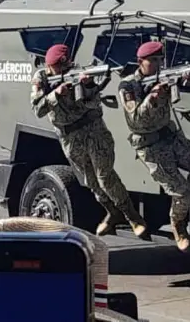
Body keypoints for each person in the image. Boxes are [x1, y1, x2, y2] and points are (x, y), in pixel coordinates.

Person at [118, 41, 190, 252]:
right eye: (152, 61)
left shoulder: (164, 76)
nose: (157, 65)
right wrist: (152, 97)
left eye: (160, 60)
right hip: (150, 144)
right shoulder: (128, 86)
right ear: (140, 62)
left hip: (172, 137)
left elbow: (182, 89)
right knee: (181, 192)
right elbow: (135, 119)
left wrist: (188, 80)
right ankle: (179, 229)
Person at [32, 44, 148, 238]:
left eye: (64, 67)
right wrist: (56, 94)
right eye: (56, 68)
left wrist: (87, 86)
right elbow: (38, 109)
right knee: (91, 181)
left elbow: (94, 103)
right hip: (70, 137)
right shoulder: (41, 78)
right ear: (49, 66)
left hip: (94, 131)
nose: (61, 71)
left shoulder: (80, 72)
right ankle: (112, 212)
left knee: (105, 177)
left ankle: (133, 217)